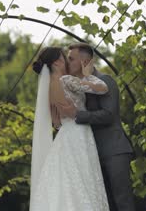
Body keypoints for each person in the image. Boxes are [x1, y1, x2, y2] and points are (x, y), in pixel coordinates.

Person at [29, 46, 109, 211]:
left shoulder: (49, 87)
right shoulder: (66, 80)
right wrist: (88, 75)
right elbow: (103, 88)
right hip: (79, 132)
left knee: (66, 179)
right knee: (84, 177)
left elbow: (56, 122)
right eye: (65, 58)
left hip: (65, 133)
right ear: (58, 61)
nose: (67, 61)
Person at [67, 43, 136, 211]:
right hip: (93, 153)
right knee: (106, 204)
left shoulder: (105, 81)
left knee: (123, 201)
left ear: (85, 61)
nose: (68, 63)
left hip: (114, 151)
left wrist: (77, 114)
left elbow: (108, 115)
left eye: (71, 59)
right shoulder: (77, 85)